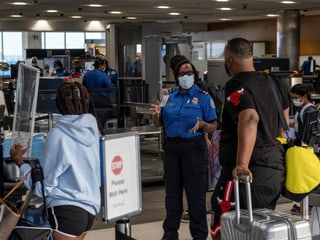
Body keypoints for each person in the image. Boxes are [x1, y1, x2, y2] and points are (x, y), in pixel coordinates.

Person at [210, 38, 289, 240]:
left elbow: (250, 117)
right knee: (259, 229)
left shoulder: (236, 84)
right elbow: (284, 118)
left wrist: (241, 164)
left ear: (229, 59)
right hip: (273, 171)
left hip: (247, 173)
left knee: (225, 227)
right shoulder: (274, 82)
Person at [10, 81, 101, 240]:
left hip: (65, 210)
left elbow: (42, 188)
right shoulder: (93, 132)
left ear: (59, 104)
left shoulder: (58, 134)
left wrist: (20, 163)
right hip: (89, 209)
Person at [150, 55, 218, 240]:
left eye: (189, 73)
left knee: (195, 195)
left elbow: (213, 125)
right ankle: (170, 234)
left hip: (193, 148)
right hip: (172, 148)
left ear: (194, 75)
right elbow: (159, 123)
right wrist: (156, 115)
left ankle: (199, 235)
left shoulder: (203, 98)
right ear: (176, 76)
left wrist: (204, 125)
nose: (186, 76)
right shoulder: (169, 97)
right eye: (182, 73)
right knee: (172, 195)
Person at [288, 83, 316, 215]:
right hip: (302, 145)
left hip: (306, 147)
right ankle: (303, 204)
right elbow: (300, 124)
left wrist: (300, 143)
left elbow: (309, 131)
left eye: (296, 97)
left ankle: (308, 204)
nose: (294, 100)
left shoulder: (310, 110)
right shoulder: (303, 109)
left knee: (305, 177)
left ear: (304, 97)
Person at [83, 58, 115, 131]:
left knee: (93, 116)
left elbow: (83, 86)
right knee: (104, 116)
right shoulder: (102, 75)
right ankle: (101, 130)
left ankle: (94, 130)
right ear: (100, 66)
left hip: (90, 100)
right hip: (102, 100)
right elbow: (110, 87)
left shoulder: (87, 74)